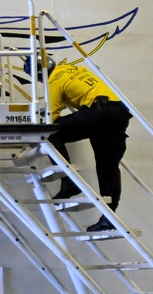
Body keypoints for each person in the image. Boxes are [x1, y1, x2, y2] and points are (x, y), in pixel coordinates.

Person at [26, 54, 132, 232]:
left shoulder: (54, 80)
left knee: (51, 133)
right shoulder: (76, 69)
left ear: (39, 75)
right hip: (119, 112)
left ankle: (69, 182)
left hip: (99, 112)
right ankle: (109, 217)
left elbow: (51, 118)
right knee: (107, 167)